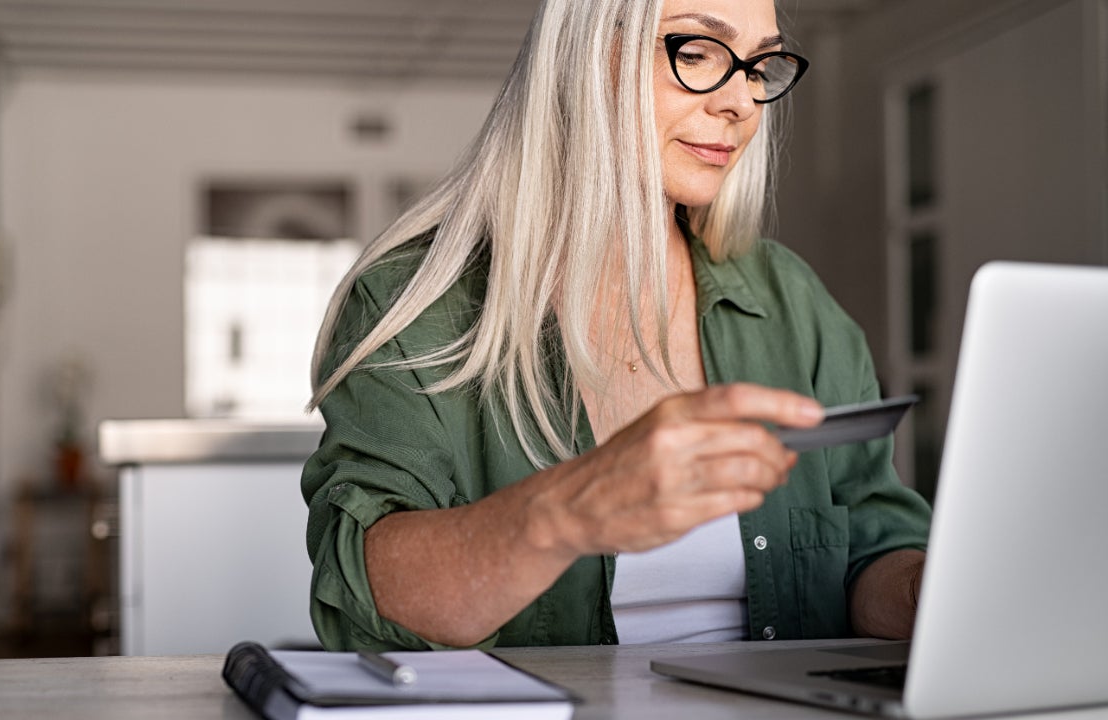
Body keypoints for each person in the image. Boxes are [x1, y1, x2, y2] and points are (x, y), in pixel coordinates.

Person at [301, 0, 931, 651]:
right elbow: (365, 603)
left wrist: (932, 594)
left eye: (758, 67)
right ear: (584, 55)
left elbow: (873, 548)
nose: (742, 102)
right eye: (695, 53)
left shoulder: (791, 300)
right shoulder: (413, 303)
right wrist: (570, 511)